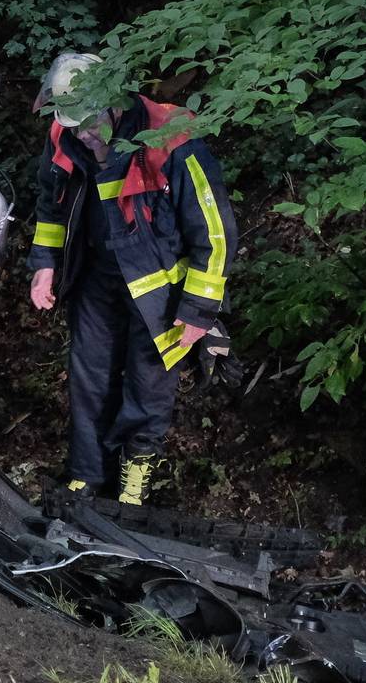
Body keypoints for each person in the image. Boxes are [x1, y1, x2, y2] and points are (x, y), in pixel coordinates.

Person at [28, 52, 237, 514]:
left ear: (113, 106)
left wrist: (199, 310)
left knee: (148, 384)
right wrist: (45, 264)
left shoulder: (171, 137)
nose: (83, 136)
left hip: (161, 290)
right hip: (96, 276)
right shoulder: (64, 134)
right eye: (74, 126)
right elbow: (50, 204)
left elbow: (215, 231)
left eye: (89, 125)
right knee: (89, 375)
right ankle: (86, 474)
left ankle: (135, 479)